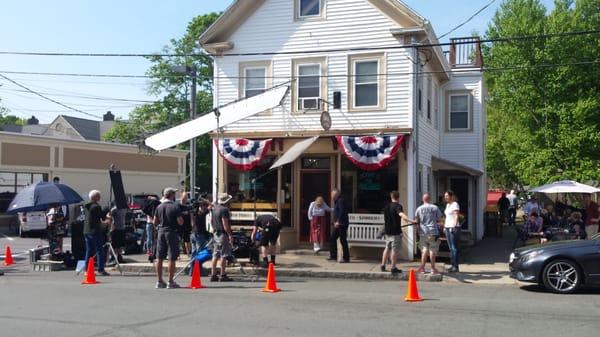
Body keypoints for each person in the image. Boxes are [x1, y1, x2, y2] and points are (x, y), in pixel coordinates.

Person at [153, 187, 184, 289]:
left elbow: (154, 222)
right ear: (171, 195)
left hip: (161, 231)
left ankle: (159, 280)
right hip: (171, 231)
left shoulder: (159, 207)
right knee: (172, 257)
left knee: (160, 257)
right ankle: (170, 281)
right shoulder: (175, 207)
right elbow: (180, 221)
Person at [380, 190, 414, 274]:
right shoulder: (398, 206)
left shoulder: (386, 207)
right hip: (395, 232)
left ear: (391, 197)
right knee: (394, 250)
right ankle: (393, 267)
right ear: (398, 197)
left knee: (387, 248)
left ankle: (383, 265)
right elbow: (401, 215)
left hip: (387, 231)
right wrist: (411, 221)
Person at [83, 190, 111, 276]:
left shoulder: (87, 206)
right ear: (95, 197)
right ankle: (101, 269)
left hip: (87, 231)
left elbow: (95, 217)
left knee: (89, 250)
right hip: (94, 231)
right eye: (98, 196)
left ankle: (86, 269)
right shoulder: (96, 207)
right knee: (100, 250)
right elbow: (101, 216)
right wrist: (107, 209)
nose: (100, 197)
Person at [415, 193, 443, 274]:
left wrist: (418, 232)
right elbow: (439, 219)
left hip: (423, 232)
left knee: (424, 251)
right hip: (433, 232)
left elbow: (417, 222)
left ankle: (422, 268)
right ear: (430, 199)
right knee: (432, 251)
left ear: (423, 199)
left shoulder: (419, 209)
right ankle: (432, 269)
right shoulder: (434, 207)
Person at [210, 193, 234, 282]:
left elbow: (211, 221)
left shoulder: (215, 208)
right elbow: (225, 223)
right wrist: (230, 235)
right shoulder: (224, 210)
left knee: (215, 254)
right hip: (223, 234)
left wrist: (214, 229)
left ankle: (213, 274)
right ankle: (222, 274)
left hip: (216, 233)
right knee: (224, 255)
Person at [328, 188, 350, 263]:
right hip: (339, 224)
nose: (331, 195)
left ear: (336, 194)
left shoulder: (340, 201)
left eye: (332, 194)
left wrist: (338, 221)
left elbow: (342, 212)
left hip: (342, 224)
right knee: (332, 238)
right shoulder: (337, 201)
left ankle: (346, 258)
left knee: (342, 240)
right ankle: (333, 256)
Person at [443, 191, 461, 273]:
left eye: (447, 196)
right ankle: (452, 264)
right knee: (450, 248)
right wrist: (444, 226)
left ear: (451, 196)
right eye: (445, 196)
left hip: (453, 227)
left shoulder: (455, 204)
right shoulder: (447, 205)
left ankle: (456, 266)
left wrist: (454, 226)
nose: (445, 197)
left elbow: (456, 215)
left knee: (454, 247)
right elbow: (447, 217)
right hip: (447, 227)